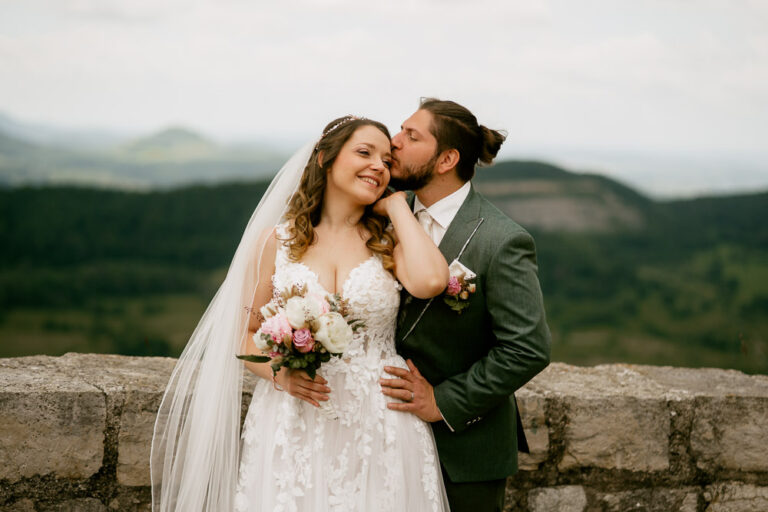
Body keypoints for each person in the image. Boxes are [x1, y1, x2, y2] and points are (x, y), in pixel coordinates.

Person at [151, 115, 452, 511]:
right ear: (325, 158)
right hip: (294, 418)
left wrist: (397, 206)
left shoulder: (391, 240)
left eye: (386, 160)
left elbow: (431, 281)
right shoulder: (276, 242)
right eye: (364, 152)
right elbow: (245, 333)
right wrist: (281, 373)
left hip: (380, 421)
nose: (378, 165)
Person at [379, 98, 551, 512]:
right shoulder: (383, 215)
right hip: (382, 438)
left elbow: (527, 349)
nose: (393, 142)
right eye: (399, 130)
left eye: (411, 135)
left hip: (464, 452)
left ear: (447, 159)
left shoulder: (501, 240)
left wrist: (442, 402)